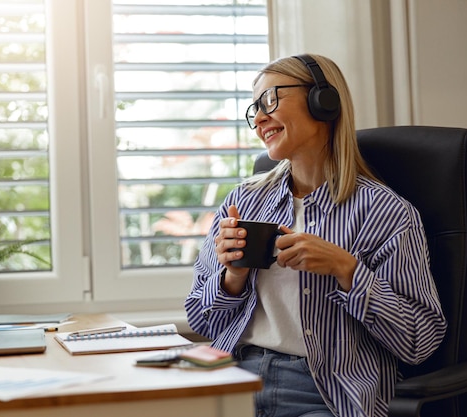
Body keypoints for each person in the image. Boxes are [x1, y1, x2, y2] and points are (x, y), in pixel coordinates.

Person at [184, 54, 447, 417]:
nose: (259, 119)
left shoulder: (385, 212)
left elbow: (420, 341)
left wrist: (348, 270)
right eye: (254, 109)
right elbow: (200, 319)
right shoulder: (242, 201)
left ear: (323, 101)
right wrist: (233, 278)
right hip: (235, 378)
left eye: (270, 100)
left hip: (324, 394)